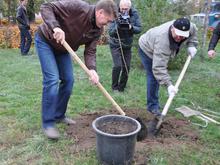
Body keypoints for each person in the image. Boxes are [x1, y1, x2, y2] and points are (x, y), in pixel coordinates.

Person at [35, 0, 117, 139]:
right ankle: (48, 124)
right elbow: (46, 6)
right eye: (107, 21)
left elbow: (90, 51)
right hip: (46, 41)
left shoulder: (97, 29)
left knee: (69, 80)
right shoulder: (78, 7)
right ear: (100, 12)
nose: (107, 25)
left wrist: (92, 69)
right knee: (52, 80)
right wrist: (56, 27)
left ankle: (59, 115)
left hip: (63, 48)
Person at [138, 17, 198, 116]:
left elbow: (194, 31)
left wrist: (192, 45)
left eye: (182, 36)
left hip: (157, 47)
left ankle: (153, 104)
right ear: (172, 28)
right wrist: (169, 85)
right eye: (177, 35)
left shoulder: (189, 27)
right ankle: (152, 106)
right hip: (146, 48)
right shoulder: (162, 39)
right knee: (153, 77)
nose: (179, 38)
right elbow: (159, 67)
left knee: (158, 75)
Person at [108, 0, 141, 92]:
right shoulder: (114, 13)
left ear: (130, 8)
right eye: (122, 8)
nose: (124, 10)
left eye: (126, 9)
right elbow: (110, 32)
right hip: (115, 43)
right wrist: (117, 26)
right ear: (119, 6)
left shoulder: (134, 14)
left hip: (127, 44)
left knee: (127, 66)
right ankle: (114, 88)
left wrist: (131, 27)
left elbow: (139, 29)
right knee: (118, 65)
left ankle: (121, 88)